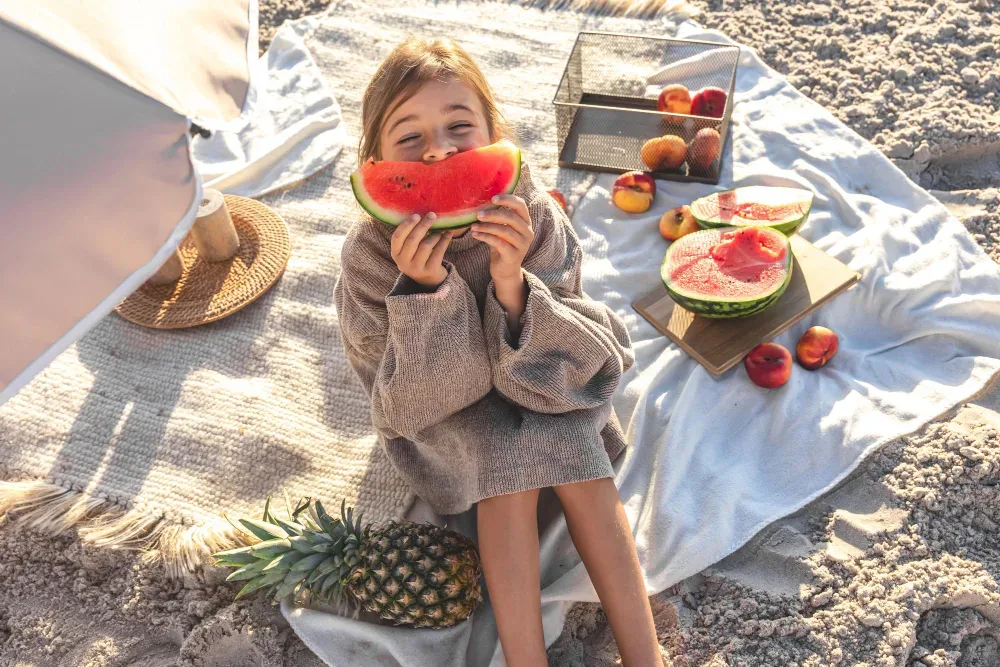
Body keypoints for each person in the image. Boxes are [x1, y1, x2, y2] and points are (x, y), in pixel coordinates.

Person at [333, 36, 661, 666]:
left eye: (460, 126)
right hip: (442, 418)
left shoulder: (533, 215)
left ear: (495, 133)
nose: (438, 150)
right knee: (500, 471)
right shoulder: (369, 260)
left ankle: (647, 656)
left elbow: (576, 359)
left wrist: (513, 287)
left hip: (544, 380)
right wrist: (426, 296)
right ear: (372, 159)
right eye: (409, 140)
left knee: (577, 456)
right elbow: (399, 402)